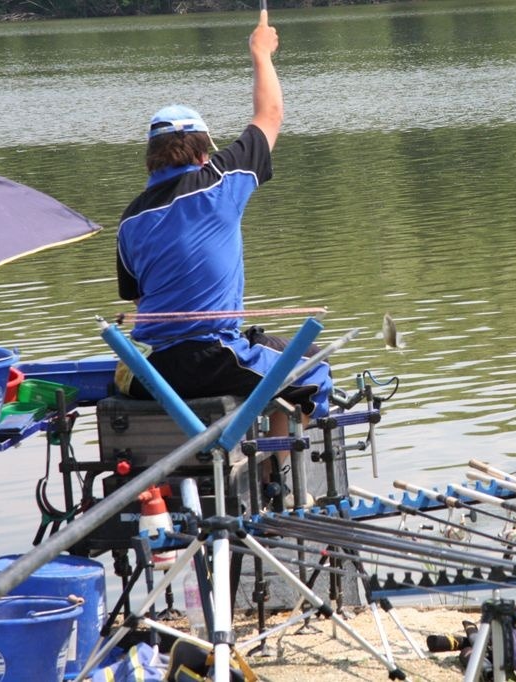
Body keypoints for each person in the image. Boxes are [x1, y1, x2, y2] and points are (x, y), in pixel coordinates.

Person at [114, 11, 331, 462]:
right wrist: (260, 53)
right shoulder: (218, 181)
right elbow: (269, 115)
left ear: (152, 157)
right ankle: (279, 482)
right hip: (208, 359)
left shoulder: (129, 220)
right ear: (203, 150)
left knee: (297, 350)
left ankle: (261, 461)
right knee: (315, 373)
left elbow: (139, 302)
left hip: (153, 367)